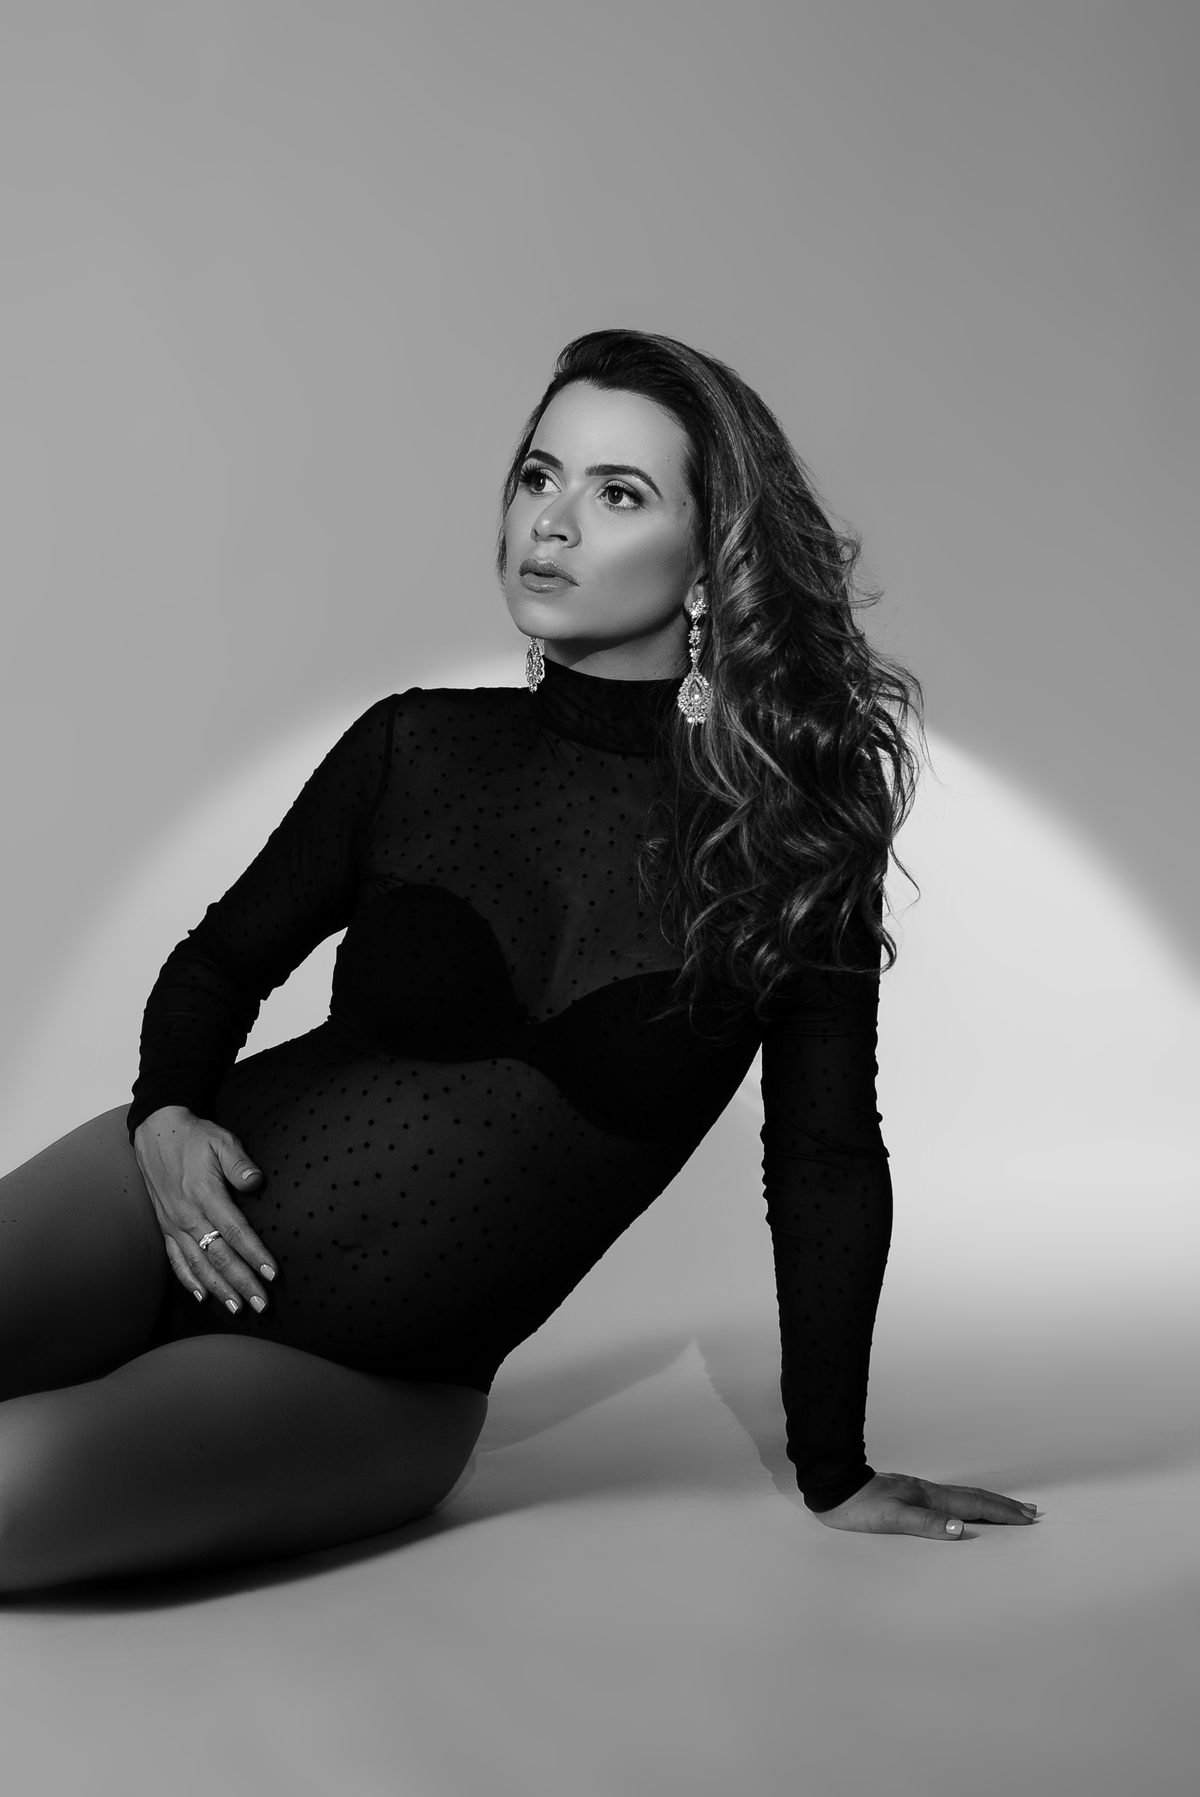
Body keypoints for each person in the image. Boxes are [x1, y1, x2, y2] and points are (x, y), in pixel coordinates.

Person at [0, 329, 1037, 1591]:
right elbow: (219, 962)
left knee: (14, 1493)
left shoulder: (792, 839)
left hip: (373, 1384)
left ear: (711, 557)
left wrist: (836, 1468)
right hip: (149, 1205)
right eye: (540, 476)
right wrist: (167, 1116)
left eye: (619, 494)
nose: (552, 521)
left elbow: (822, 1157)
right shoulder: (414, 745)